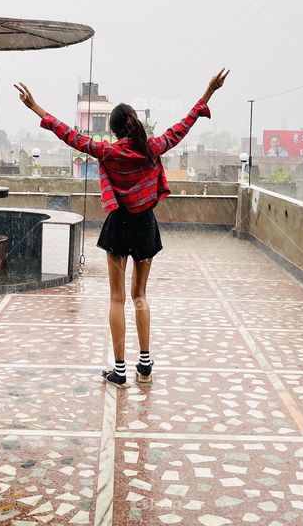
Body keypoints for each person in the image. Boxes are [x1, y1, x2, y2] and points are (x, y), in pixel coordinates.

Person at [15, 68, 229, 387]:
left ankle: (120, 370)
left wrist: (36, 108)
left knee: (117, 299)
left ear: (114, 131)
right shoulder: (152, 147)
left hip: (118, 226)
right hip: (144, 226)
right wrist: (209, 92)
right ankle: (145, 365)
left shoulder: (108, 152)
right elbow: (184, 125)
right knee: (140, 295)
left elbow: (69, 135)